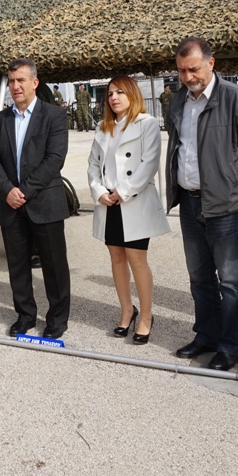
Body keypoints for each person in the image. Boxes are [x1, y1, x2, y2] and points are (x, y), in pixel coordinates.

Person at [165, 37, 238, 371]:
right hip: (189, 202)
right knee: (200, 278)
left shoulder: (236, 99)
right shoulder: (179, 101)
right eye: (182, 71)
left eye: (193, 69)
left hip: (225, 207)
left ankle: (230, 346)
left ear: (211, 64)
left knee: (230, 281)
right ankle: (207, 336)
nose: (188, 77)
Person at [0, 58, 71, 339]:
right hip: (10, 204)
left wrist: (24, 191)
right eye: (11, 81)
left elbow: (55, 158)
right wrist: (7, 190)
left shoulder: (54, 115)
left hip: (44, 202)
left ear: (35, 82)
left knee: (54, 265)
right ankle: (25, 315)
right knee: (18, 265)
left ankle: (57, 318)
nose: (15, 86)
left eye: (21, 80)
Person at [88, 75, 170, 343]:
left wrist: (123, 191)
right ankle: (127, 310)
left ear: (132, 94)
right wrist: (99, 191)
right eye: (110, 93)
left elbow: (149, 163)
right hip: (109, 202)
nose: (113, 97)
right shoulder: (103, 127)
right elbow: (93, 165)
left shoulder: (146, 124)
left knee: (137, 260)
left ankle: (146, 316)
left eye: (120, 92)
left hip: (133, 201)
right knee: (116, 259)